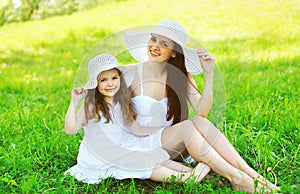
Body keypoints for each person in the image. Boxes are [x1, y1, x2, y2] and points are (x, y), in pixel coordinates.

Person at [123, 20, 280, 193]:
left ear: (174, 53)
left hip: (168, 142)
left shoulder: (180, 76)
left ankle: (253, 176)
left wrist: (209, 74)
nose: (155, 46)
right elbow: (101, 86)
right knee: (187, 127)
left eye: (163, 43)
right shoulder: (130, 72)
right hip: (142, 142)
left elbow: (202, 111)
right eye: (153, 39)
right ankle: (237, 178)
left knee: (199, 121)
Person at [64, 53, 210, 184]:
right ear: (96, 84)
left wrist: (162, 129)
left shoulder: (120, 102)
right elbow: (70, 130)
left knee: (152, 155)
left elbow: (136, 128)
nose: (110, 84)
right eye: (103, 80)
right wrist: (74, 101)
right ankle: (185, 179)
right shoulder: (91, 106)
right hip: (102, 154)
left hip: (122, 146)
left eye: (114, 78)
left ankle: (189, 172)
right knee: (141, 162)